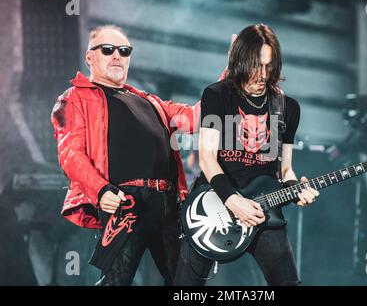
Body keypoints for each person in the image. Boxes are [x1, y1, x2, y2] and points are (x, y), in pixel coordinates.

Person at [50, 25, 200, 285]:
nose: (117, 56)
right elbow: (70, 152)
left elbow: (195, 117)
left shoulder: (150, 101)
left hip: (168, 202)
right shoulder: (76, 97)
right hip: (125, 201)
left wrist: (232, 77)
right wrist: (100, 190)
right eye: (107, 50)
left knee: (187, 281)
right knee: (117, 280)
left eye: (124, 50)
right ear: (90, 57)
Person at [174, 24, 320, 286]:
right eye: (256, 65)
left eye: (269, 66)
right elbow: (207, 158)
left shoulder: (288, 108)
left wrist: (297, 189)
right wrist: (232, 200)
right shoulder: (216, 95)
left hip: (264, 208)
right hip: (213, 203)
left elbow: (285, 171)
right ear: (241, 61)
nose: (263, 74)